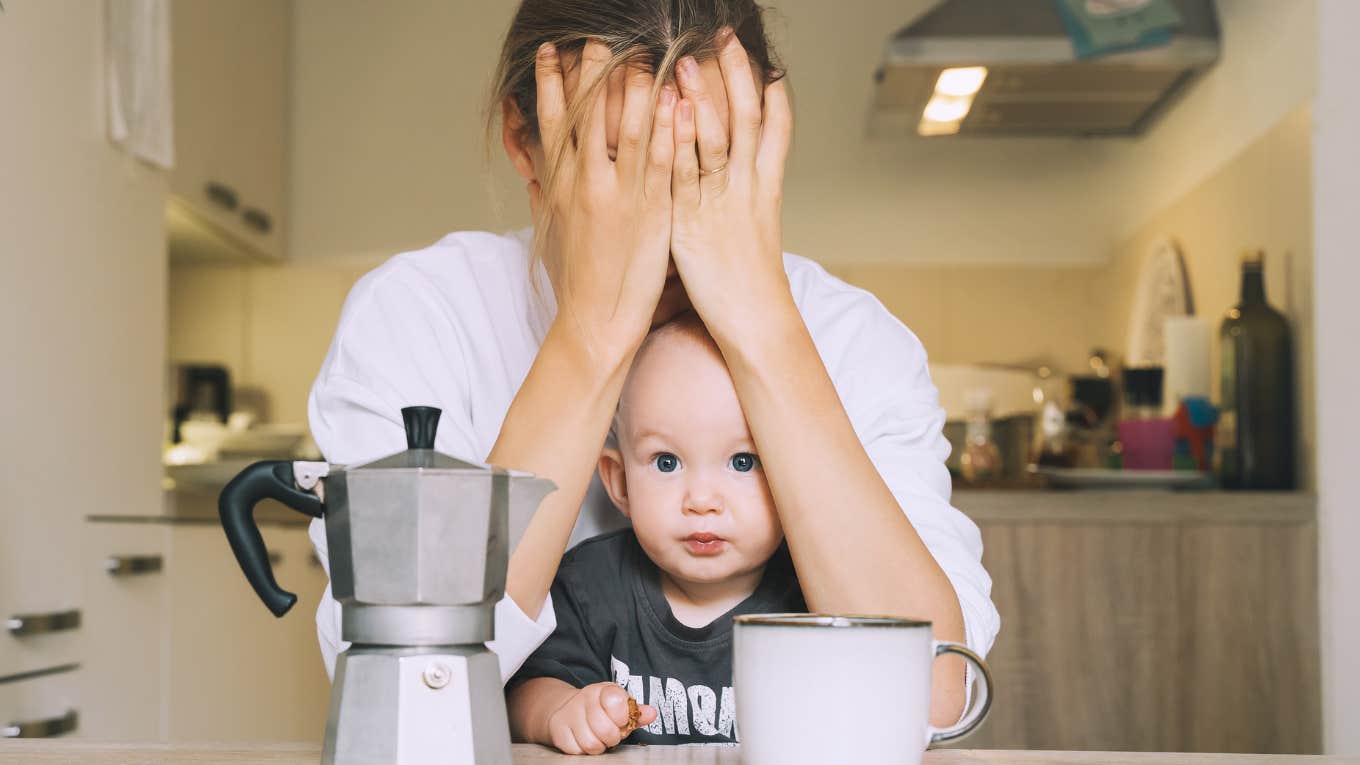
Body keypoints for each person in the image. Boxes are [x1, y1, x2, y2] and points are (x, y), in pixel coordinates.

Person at [306, 0, 998, 729]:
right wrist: (590, 337)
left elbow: (931, 693)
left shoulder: (851, 339)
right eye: (618, 161)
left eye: (706, 159)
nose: (665, 213)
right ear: (524, 141)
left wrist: (761, 328)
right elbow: (412, 692)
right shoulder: (418, 318)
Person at [506, 312, 805, 752]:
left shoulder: (810, 595)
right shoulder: (590, 585)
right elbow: (522, 690)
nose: (701, 499)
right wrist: (561, 710)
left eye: (743, 461)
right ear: (620, 481)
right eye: (667, 462)